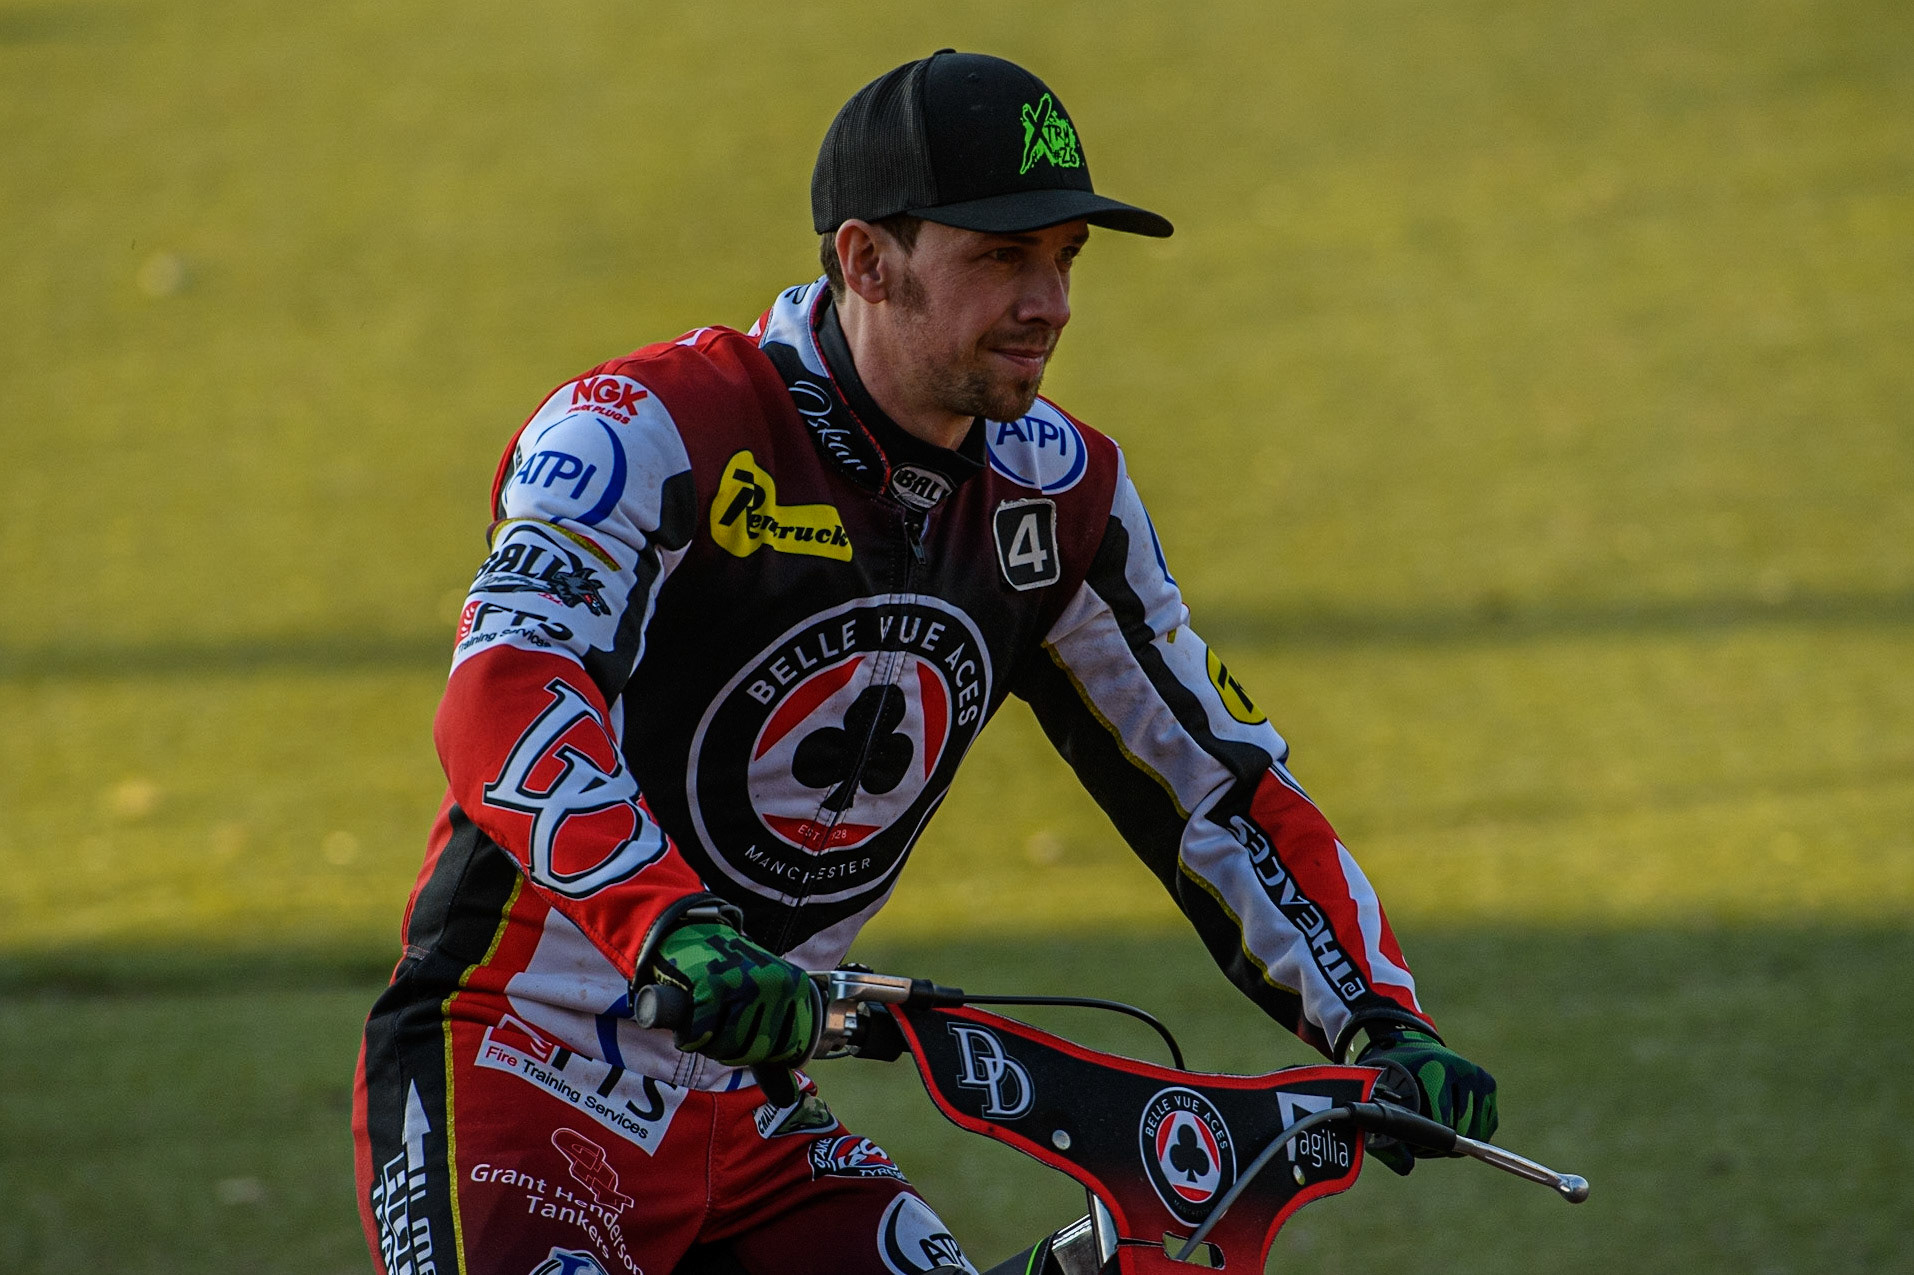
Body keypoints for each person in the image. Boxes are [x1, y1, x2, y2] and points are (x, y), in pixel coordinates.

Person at [352, 50, 1497, 1275]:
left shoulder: (1063, 495)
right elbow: (505, 694)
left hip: (744, 1099)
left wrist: (1376, 1017)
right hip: (516, 1056)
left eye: (1066, 258)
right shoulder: (645, 429)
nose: (1050, 302)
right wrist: (668, 928)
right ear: (864, 261)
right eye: (1002, 258)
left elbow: (1216, 783)